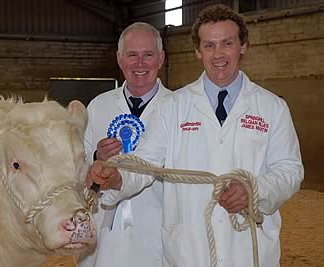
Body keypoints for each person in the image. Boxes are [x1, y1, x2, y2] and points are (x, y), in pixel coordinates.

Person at [86, 4, 304, 267]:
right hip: (189, 252)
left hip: (249, 248)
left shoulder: (272, 108)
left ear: (243, 46)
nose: (218, 54)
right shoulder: (174, 107)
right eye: (209, 45)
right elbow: (145, 161)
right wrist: (118, 177)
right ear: (198, 51)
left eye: (227, 43)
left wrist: (255, 191)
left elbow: (290, 170)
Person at [79, 22, 171, 267]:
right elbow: (77, 162)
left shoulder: (179, 108)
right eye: (132, 55)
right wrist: (96, 156)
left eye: (148, 55)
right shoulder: (98, 106)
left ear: (161, 58)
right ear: (120, 59)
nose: (140, 64)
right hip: (104, 234)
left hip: (158, 234)